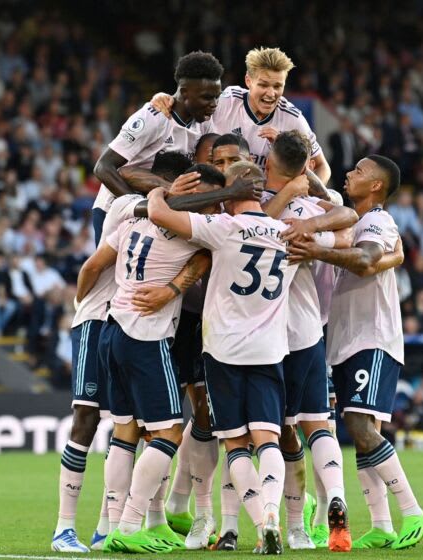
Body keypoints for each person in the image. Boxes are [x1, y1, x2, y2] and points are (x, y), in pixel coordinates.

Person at [148, 160, 332, 554]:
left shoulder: (223, 229)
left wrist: (158, 191)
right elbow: (339, 220)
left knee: (235, 445)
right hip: (269, 350)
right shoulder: (284, 232)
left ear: (230, 193)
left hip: (224, 351)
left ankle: (261, 520)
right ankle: (272, 511)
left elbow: (159, 213)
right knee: (269, 438)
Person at [76, 162, 242, 554]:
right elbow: (205, 257)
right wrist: (170, 289)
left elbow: (91, 267)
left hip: (110, 327)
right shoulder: (193, 234)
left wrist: (81, 306)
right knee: (168, 431)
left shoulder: (131, 220)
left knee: (126, 430)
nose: (216, 212)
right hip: (145, 338)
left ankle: (111, 527)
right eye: (211, 203)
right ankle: (131, 526)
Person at [287, 156, 423, 550]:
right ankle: (382, 525)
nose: (350, 173)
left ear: (376, 187)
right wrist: (305, 176)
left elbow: (367, 260)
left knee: (359, 427)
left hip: (372, 337)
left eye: (360, 171)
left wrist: (315, 252)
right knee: (360, 430)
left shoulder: (377, 222)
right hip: (345, 341)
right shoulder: (354, 218)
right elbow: (383, 253)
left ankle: (414, 512)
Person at [254, 131, 357, 551]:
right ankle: (336, 498)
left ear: (267, 165)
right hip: (308, 331)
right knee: (318, 423)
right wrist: (313, 241)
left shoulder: (255, 212)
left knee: (275, 433)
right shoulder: (318, 209)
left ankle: (289, 525)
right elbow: (348, 228)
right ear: (307, 168)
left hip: (263, 336)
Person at [91, 51, 224, 243]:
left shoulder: (204, 123)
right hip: (116, 208)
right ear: (184, 92)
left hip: (157, 207)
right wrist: (139, 206)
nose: (213, 105)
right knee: (108, 273)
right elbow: (103, 167)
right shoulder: (153, 118)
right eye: (207, 98)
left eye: (216, 98)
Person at [149, 47, 331, 184]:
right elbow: (191, 105)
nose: (271, 93)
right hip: (217, 191)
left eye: (277, 86)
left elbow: (323, 167)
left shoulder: (292, 118)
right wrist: (165, 97)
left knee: (334, 198)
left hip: (265, 198)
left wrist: (305, 195)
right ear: (248, 81)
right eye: (264, 85)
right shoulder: (227, 101)